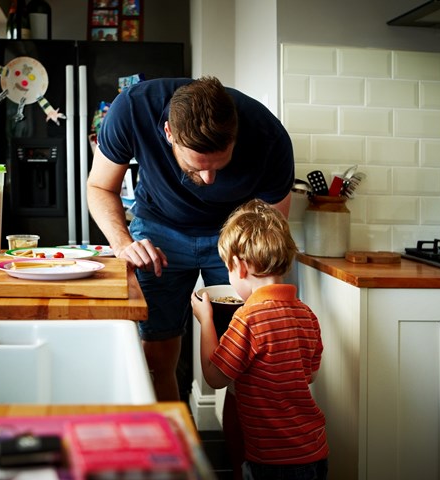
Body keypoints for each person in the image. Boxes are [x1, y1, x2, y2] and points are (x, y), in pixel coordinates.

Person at [86, 76, 294, 402]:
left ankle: (241, 452)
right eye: (197, 167)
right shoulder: (132, 108)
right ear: (168, 133)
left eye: (218, 165)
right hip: (158, 233)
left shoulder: (268, 136)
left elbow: (270, 229)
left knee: (248, 361)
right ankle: (175, 445)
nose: (209, 180)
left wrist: (264, 289)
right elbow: (99, 187)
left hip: (232, 240)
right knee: (155, 356)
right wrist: (124, 245)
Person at [191, 198, 328, 480]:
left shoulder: (248, 317)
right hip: (315, 451)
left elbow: (216, 378)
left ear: (239, 267)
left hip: (272, 460)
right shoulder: (307, 314)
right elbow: (310, 374)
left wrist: (206, 321)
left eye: (228, 270)